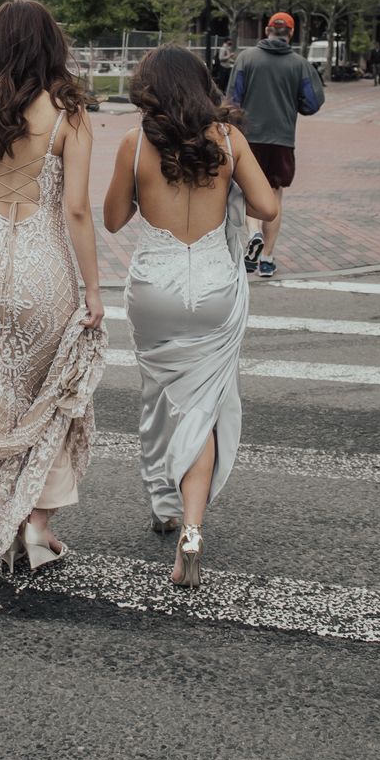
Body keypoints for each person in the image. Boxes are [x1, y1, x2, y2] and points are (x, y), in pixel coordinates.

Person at [0, 0, 106, 572]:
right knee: (52, 400)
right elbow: (77, 211)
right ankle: (36, 527)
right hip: (45, 275)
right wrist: (94, 291)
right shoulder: (69, 116)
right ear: (52, 46)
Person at [104, 46, 277, 588]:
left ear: (148, 90)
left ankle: (164, 502)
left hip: (154, 287)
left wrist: (142, 188)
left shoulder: (134, 145)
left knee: (162, 395)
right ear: (203, 86)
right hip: (214, 288)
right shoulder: (228, 141)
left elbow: (112, 219)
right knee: (202, 408)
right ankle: (191, 528)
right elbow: (266, 208)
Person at [227, 12, 324, 277]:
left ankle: (253, 234)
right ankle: (267, 259)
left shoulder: (246, 59)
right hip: (282, 139)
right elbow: (313, 103)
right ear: (290, 33)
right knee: (274, 196)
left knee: (249, 193)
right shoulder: (300, 65)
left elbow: (232, 99)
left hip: (249, 138)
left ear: (267, 29)